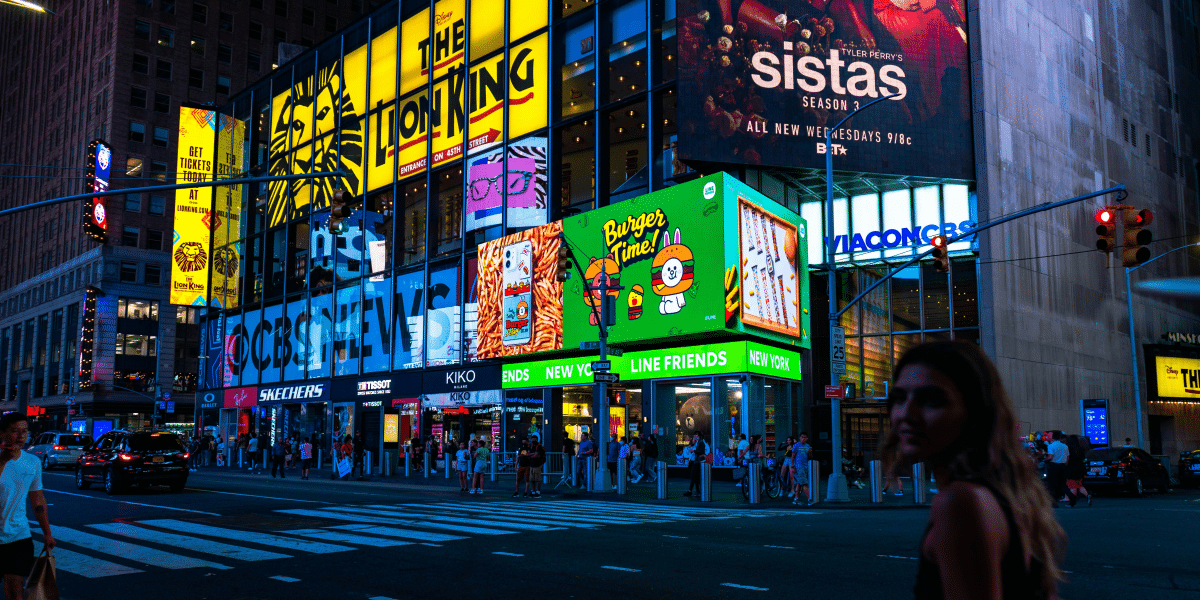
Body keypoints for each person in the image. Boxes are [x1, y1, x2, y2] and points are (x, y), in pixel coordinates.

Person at [884, 340, 1065, 599]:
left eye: (932, 400)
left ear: (975, 411)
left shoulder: (960, 502)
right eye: (899, 398)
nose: (906, 414)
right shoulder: (1001, 493)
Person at [0, 412, 55, 600]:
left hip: (18, 535)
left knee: (16, 592)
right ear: (2, 433)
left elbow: (37, 499)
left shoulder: (32, 462)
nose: (21, 436)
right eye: (15, 431)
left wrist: (47, 532)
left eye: (24, 431)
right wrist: (3, 460)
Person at [1064, 435, 1092, 507]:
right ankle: (1088, 495)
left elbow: (1067, 459)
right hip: (1080, 468)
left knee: (1073, 485)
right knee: (1079, 484)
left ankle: (1073, 502)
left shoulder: (1068, 449)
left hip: (1071, 468)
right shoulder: (1080, 449)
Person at [1045, 431, 1069, 508]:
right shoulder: (1065, 446)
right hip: (1063, 466)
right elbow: (1067, 458)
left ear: (1052, 438)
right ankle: (1070, 497)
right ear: (1060, 438)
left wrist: (1045, 459)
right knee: (1062, 484)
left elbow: (1050, 456)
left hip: (1053, 466)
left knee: (1052, 484)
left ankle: (1053, 501)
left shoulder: (1051, 446)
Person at [683, 431, 707, 497]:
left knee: (693, 476)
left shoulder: (701, 442)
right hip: (695, 461)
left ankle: (690, 491)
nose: (695, 436)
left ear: (699, 436)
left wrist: (693, 451)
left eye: (696, 435)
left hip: (697, 462)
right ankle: (698, 490)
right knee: (695, 477)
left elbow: (701, 451)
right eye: (694, 435)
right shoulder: (697, 442)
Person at [792, 432, 812, 505]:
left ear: (807, 438)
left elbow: (810, 457)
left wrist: (810, 452)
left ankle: (796, 498)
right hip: (799, 466)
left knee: (799, 483)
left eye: (805, 437)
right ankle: (809, 499)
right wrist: (792, 466)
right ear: (800, 438)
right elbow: (793, 456)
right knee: (804, 483)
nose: (803, 439)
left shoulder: (807, 446)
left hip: (805, 466)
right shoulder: (796, 445)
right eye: (802, 437)